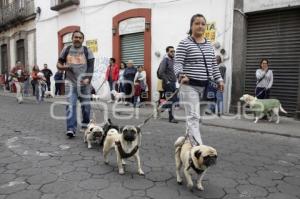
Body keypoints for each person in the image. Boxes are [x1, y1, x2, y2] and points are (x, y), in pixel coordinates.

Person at [174, 14, 224, 146]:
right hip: (189, 85)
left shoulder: (208, 44)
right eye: (197, 23)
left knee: (198, 119)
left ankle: (186, 142)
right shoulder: (184, 43)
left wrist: (219, 80)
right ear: (191, 26)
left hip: (206, 86)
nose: (200, 26)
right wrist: (180, 75)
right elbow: (177, 63)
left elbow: (213, 65)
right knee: (193, 118)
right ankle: (198, 149)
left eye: (203, 24)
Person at [57, 30, 95, 138]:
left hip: (84, 85)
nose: (77, 39)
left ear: (82, 40)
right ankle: (71, 128)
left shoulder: (88, 51)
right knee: (70, 106)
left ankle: (85, 125)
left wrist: (88, 78)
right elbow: (59, 63)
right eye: (75, 37)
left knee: (86, 107)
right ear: (72, 39)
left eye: (79, 37)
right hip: (70, 83)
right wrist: (64, 67)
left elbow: (91, 67)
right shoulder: (66, 49)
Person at [158, 46, 178, 123]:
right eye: (171, 51)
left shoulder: (174, 61)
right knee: (172, 101)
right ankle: (171, 118)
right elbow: (161, 72)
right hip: (168, 84)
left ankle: (162, 108)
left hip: (174, 83)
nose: (173, 53)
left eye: (174, 51)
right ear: (167, 52)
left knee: (174, 100)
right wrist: (167, 81)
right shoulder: (165, 60)